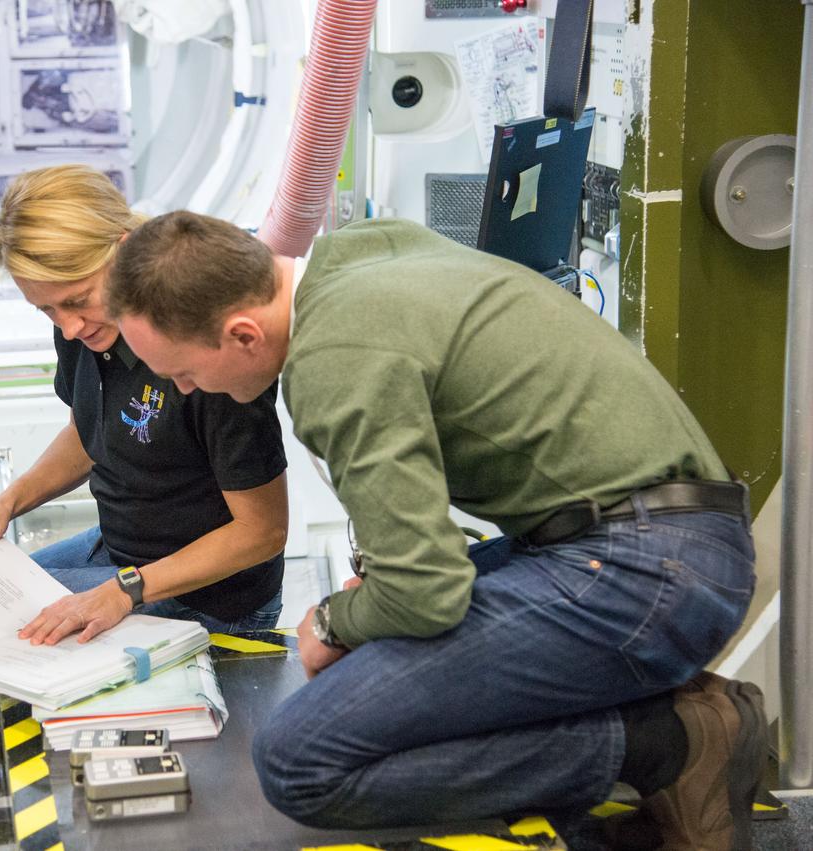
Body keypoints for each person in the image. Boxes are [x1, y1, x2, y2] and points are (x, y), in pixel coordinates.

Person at [107, 210, 765, 851]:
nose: (186, 391)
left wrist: (335, 620)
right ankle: (642, 729)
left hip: (643, 576)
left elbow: (424, 592)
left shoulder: (334, 357)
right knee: (374, 671)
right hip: (663, 543)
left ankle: (664, 744)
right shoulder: (363, 253)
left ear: (244, 334)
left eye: (182, 372)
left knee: (297, 761)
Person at [0, 165, 289, 646]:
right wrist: (5, 506)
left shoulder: (202, 356)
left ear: (123, 252)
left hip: (208, 596)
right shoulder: (83, 329)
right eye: (47, 310)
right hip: (120, 553)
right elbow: (92, 434)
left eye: (78, 300)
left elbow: (263, 532)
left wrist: (125, 590)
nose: (68, 328)